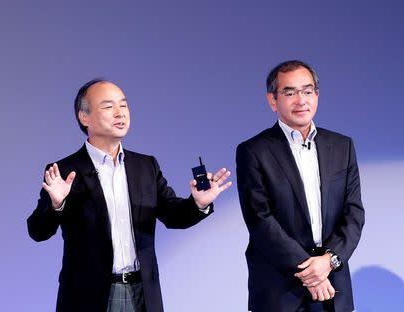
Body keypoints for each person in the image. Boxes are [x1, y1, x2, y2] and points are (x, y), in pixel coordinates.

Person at [27, 79, 232, 312]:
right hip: (91, 295)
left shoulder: (145, 166)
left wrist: (198, 204)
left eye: (123, 105)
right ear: (85, 117)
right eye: (108, 106)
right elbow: (37, 231)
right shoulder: (64, 170)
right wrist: (56, 204)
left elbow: (174, 216)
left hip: (142, 292)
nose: (119, 113)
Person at [236, 60, 365, 312]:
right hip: (280, 289)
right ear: (272, 100)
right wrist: (310, 271)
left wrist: (329, 261)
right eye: (290, 92)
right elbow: (260, 220)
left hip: (334, 285)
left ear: (317, 95)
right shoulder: (253, 151)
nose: (301, 100)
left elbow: (354, 213)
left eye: (307, 91)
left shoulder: (342, 146)